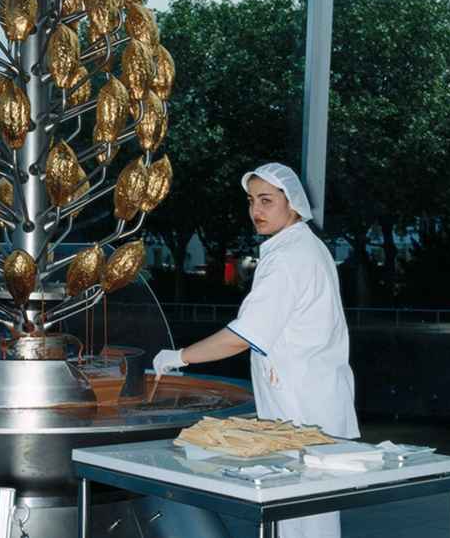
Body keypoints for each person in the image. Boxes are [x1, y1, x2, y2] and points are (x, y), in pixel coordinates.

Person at [152, 163, 359, 538]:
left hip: (303, 407)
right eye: (251, 201)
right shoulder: (300, 247)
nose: (256, 211)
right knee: (301, 516)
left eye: (267, 200)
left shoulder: (289, 258)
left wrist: (178, 357)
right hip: (308, 400)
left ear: (292, 203)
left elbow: (241, 336)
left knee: (305, 521)